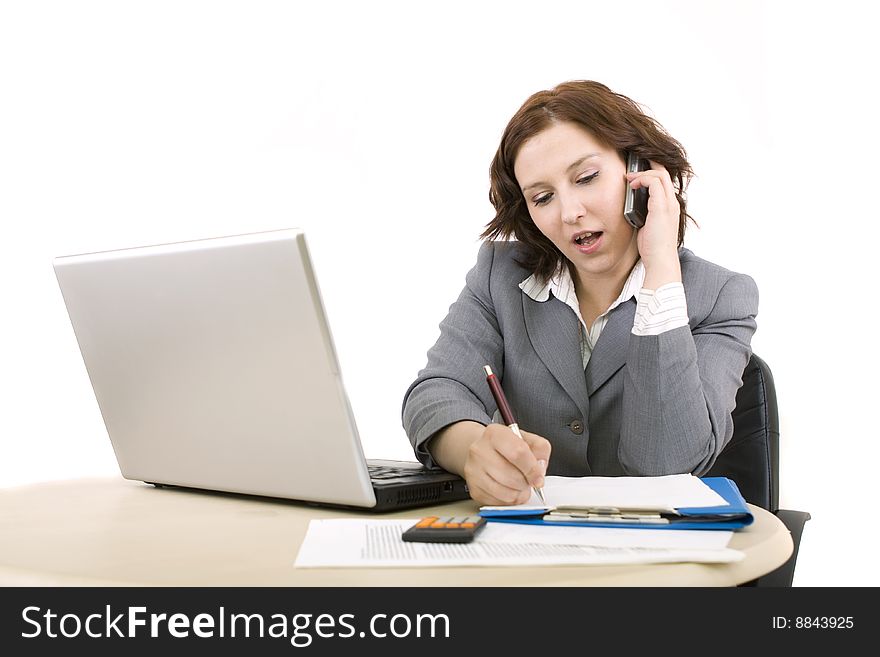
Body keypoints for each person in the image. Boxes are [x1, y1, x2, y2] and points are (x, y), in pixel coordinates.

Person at [401, 80, 758, 506]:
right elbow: (434, 392)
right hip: (527, 546)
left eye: (587, 178)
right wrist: (471, 449)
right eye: (543, 197)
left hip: (655, 556)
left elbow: (667, 463)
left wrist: (660, 266)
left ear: (641, 171)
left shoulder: (720, 296)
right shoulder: (500, 276)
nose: (570, 213)